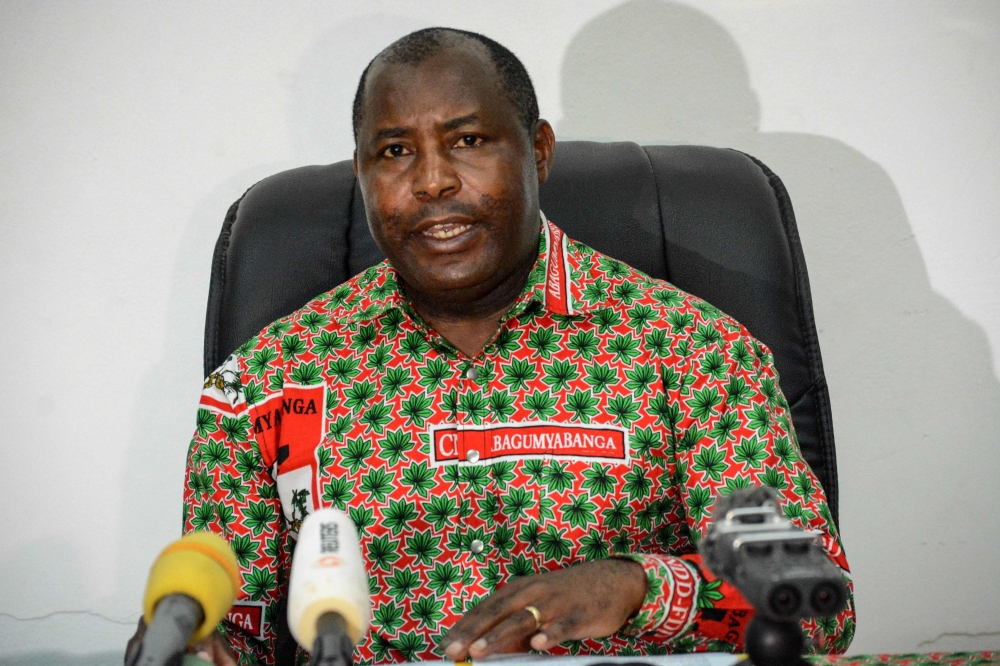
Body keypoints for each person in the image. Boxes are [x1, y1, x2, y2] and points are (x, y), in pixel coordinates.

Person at [156, 27, 854, 665]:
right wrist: (195, 647)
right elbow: (232, 631)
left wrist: (637, 587)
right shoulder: (263, 384)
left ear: (538, 151)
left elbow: (819, 609)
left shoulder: (695, 352)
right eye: (395, 152)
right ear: (362, 174)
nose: (432, 180)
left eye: (468, 141)